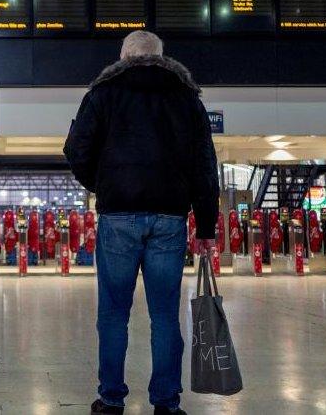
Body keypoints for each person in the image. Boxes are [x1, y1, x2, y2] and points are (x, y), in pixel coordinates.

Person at [64, 30, 219, 415]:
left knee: (113, 314)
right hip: (170, 218)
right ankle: (166, 403)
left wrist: (105, 185)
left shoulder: (102, 93)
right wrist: (206, 227)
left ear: (124, 56)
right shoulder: (187, 98)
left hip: (118, 217)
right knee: (165, 314)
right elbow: (204, 165)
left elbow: (76, 150)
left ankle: (112, 398)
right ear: (161, 57)